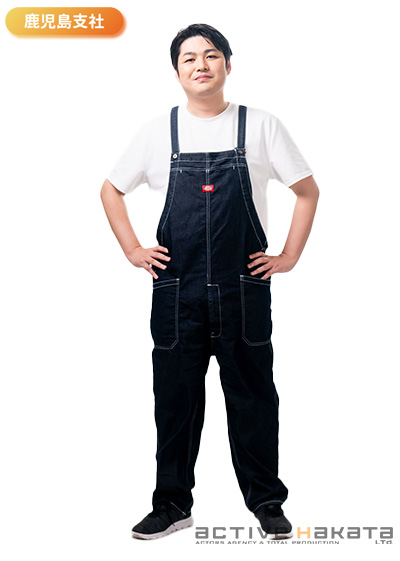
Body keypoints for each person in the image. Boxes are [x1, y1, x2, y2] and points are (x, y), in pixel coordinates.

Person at [100, 23, 319, 541]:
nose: (201, 64)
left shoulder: (259, 125)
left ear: (228, 64)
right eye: (189, 58)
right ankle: (172, 504)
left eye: (211, 55)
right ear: (176, 71)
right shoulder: (158, 132)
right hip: (177, 292)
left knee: (253, 399)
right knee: (175, 400)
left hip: (244, 288)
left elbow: (307, 191)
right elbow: (110, 190)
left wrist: (289, 256)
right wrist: (132, 250)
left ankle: (267, 502)